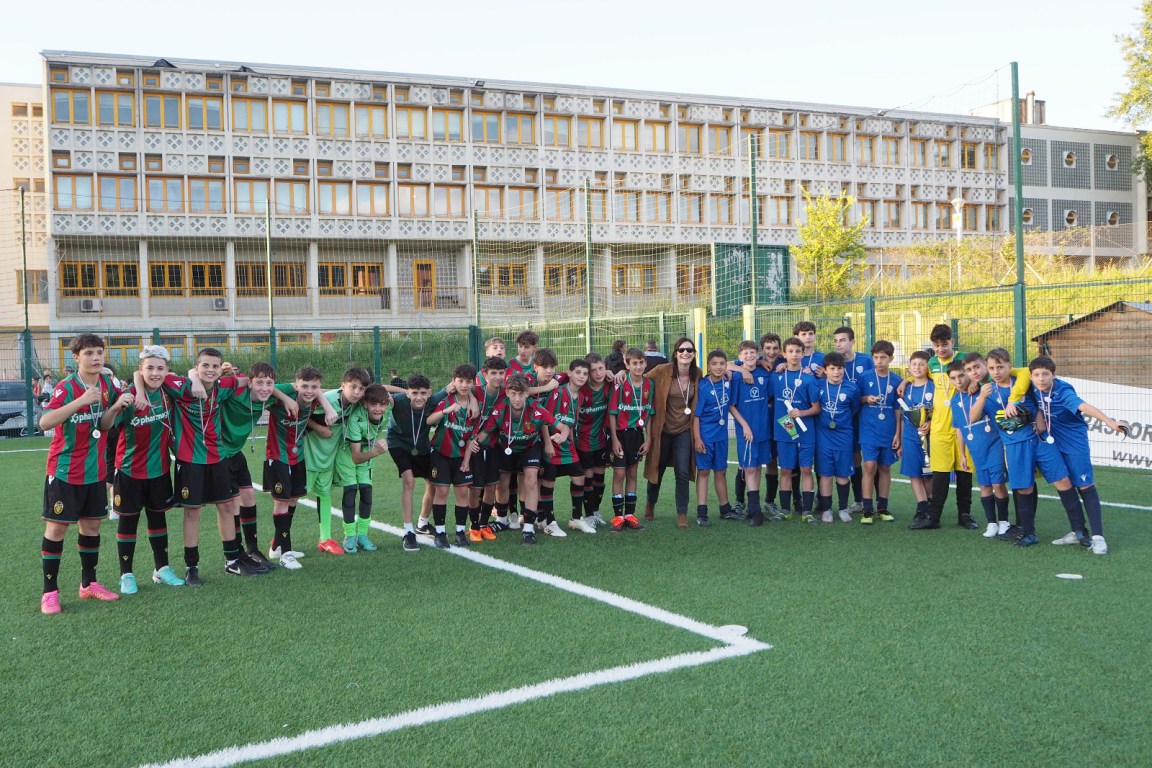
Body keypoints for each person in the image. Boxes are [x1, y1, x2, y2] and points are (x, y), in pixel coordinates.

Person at [38, 333, 135, 614]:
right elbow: (45, 422)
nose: (95, 358)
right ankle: (49, 592)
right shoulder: (66, 387)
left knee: (91, 527)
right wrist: (80, 401)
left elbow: (104, 425)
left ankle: (88, 584)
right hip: (64, 470)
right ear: (76, 357)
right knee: (57, 529)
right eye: (89, 353)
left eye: (99, 352)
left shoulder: (107, 384)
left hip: (95, 471)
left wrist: (116, 406)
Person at [153, 348, 260, 584]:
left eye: (215, 366)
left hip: (218, 457)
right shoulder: (181, 386)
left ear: (220, 369)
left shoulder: (223, 386)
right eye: (205, 366)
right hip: (190, 460)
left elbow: (249, 381)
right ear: (196, 367)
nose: (210, 370)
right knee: (193, 512)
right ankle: (191, 567)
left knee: (227, 506)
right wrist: (192, 378)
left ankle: (232, 561)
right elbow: (145, 374)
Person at [1027, 355, 1128, 554]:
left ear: (1054, 375)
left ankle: (1098, 538)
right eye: (1036, 375)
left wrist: (1109, 422)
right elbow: (1009, 373)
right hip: (1050, 441)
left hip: (1073, 441)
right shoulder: (1030, 386)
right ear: (1030, 376)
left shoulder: (1063, 391)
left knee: (1084, 485)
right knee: (1062, 483)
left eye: (1045, 374)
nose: (1041, 379)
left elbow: (1084, 406)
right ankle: (1077, 531)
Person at [112, 345, 185, 594]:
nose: (155, 373)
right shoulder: (129, 396)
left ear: (167, 370)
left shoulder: (168, 391)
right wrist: (133, 393)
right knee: (128, 522)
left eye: (160, 368)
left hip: (159, 469)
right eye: (149, 368)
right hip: (129, 470)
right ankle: (126, 574)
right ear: (140, 370)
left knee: (158, 519)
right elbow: (110, 426)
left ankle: (161, 569)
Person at [468, 373, 568, 544]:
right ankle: (501, 520)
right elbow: (483, 434)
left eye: (521, 394)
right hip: (506, 447)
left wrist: (562, 435)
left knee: (531, 481)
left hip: (530, 448)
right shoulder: (500, 409)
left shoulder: (536, 409)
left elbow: (563, 427)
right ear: (507, 392)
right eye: (513, 393)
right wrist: (472, 443)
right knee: (502, 483)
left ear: (527, 393)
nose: (517, 398)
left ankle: (528, 527)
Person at [216, 362, 296, 569]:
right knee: (231, 504)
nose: (264, 388)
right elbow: (211, 385)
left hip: (236, 452)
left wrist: (285, 397)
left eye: (269, 383)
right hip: (219, 452)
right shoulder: (234, 392)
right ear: (249, 382)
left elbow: (298, 386)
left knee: (249, 496)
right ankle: (235, 553)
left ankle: (252, 549)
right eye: (259, 382)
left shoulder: (269, 393)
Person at [910, 324, 977, 530]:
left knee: (964, 472)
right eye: (936, 345)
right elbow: (919, 375)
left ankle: (964, 514)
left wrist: (975, 382)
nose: (940, 349)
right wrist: (906, 381)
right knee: (940, 474)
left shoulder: (965, 359)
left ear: (952, 342)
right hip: (939, 427)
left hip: (963, 425)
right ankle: (933, 517)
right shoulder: (931, 362)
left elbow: (981, 373)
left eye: (944, 344)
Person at [264, 365, 331, 568]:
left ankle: (277, 546)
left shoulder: (315, 399)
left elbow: (327, 392)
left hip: (297, 456)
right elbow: (268, 388)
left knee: (293, 499)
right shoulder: (284, 395)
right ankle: (286, 555)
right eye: (304, 386)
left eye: (314, 387)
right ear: (296, 384)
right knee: (282, 502)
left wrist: (327, 406)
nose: (309, 391)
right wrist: (287, 398)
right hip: (278, 457)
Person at [304, 366, 370, 554]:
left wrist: (402, 393)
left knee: (325, 494)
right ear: (343, 385)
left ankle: (325, 538)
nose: (357, 392)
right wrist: (319, 428)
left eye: (361, 389)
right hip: (309, 455)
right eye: (353, 387)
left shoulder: (357, 403)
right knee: (292, 498)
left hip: (328, 458)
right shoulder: (329, 400)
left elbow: (380, 390)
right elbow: (301, 413)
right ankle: (280, 541)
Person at [640, 336, 700, 527]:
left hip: (684, 430)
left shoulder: (697, 374)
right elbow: (640, 379)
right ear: (675, 353)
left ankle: (682, 513)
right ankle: (650, 503)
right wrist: (620, 374)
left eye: (689, 350)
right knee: (657, 469)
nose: (685, 353)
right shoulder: (662, 370)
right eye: (682, 350)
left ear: (694, 354)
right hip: (662, 429)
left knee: (682, 471)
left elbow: (721, 369)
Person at [949, 359, 1010, 538]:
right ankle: (991, 523)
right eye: (953, 378)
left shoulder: (984, 390)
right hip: (976, 448)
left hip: (994, 443)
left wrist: (977, 384)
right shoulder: (955, 400)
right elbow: (959, 428)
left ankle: (1004, 521)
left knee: (998, 483)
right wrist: (962, 454)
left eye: (962, 376)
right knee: (984, 484)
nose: (959, 381)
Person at [385, 374, 446, 550]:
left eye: (423, 393)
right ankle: (408, 532)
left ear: (429, 393)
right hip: (398, 444)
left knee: (433, 483)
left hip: (422, 446)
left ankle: (423, 524)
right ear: (408, 393)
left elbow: (454, 386)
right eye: (414, 393)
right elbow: (380, 388)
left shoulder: (433, 400)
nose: (419, 397)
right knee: (409, 481)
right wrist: (404, 391)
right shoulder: (398, 400)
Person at [426, 364, 481, 548]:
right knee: (441, 491)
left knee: (462, 492)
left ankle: (459, 532)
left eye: (468, 382)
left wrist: (466, 461)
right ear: (453, 381)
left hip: (461, 457)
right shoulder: (447, 401)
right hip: (440, 454)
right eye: (460, 381)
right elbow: (429, 420)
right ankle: (440, 533)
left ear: (473, 383)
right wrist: (445, 411)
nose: (464, 385)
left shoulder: (476, 408)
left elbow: (472, 437)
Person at [770, 337, 821, 523]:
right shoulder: (775, 377)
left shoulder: (809, 378)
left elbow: (817, 408)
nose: (794, 355)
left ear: (803, 353)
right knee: (785, 470)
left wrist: (802, 412)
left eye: (797, 351)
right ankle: (785, 510)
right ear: (784, 354)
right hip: (784, 430)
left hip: (806, 432)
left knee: (806, 469)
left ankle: (807, 511)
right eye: (790, 351)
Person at [541, 359, 589, 536]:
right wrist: (547, 443)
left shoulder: (581, 396)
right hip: (550, 445)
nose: (581, 376)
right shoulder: (558, 392)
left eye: (585, 374)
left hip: (567, 446)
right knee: (548, 482)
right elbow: (543, 418)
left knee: (579, 477)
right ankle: (549, 522)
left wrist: (569, 436)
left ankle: (576, 518)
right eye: (578, 372)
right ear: (569, 373)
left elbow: (571, 422)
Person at [693, 350, 740, 526]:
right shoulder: (703, 386)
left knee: (721, 471)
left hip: (721, 437)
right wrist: (697, 439)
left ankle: (725, 509)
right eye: (714, 364)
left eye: (722, 364)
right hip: (705, 437)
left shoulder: (728, 382)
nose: (718, 367)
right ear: (708, 366)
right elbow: (696, 416)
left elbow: (742, 364)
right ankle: (702, 512)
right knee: (704, 472)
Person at [608, 348, 652, 531]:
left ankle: (630, 515)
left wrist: (648, 439)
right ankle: (618, 517)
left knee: (632, 474)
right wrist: (614, 440)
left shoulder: (649, 384)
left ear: (646, 363)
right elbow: (612, 413)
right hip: (620, 435)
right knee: (619, 474)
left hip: (637, 435)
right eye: (634, 363)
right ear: (627, 365)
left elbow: (649, 414)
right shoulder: (620, 383)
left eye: (641, 362)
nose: (638, 366)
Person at [731, 340, 773, 526]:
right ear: (740, 357)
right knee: (748, 468)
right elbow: (731, 406)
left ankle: (752, 508)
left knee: (757, 467)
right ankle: (755, 511)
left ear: (758, 354)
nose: (749, 356)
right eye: (745, 353)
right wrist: (745, 426)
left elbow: (770, 398)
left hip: (763, 430)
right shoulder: (736, 377)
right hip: (746, 431)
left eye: (752, 352)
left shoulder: (765, 374)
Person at [814, 352, 860, 523]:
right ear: (825, 370)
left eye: (840, 368)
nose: (836, 372)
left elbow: (854, 409)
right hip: (823, 436)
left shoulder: (852, 388)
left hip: (844, 436)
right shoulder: (818, 386)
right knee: (825, 474)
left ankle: (843, 508)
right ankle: (826, 509)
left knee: (842, 474)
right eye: (832, 368)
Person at [345, 383, 392, 551]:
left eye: (382, 404)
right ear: (365, 404)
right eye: (373, 404)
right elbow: (356, 457)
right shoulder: (356, 420)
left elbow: (388, 392)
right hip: (349, 454)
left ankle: (363, 536)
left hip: (368, 451)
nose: (378, 409)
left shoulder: (388, 407)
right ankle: (350, 536)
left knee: (366, 490)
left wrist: (404, 391)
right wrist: (376, 451)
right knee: (350, 490)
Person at [832, 326, 873, 513]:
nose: (838, 344)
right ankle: (854, 500)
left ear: (852, 342)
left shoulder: (866, 360)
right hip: (844, 419)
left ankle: (870, 502)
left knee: (867, 459)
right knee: (849, 457)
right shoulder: (834, 363)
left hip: (866, 417)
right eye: (836, 341)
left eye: (842, 340)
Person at [858, 341, 899, 524]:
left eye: (883, 357)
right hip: (869, 430)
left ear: (891, 358)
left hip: (888, 430)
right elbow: (856, 399)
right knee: (869, 466)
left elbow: (898, 409)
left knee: (885, 467)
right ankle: (867, 509)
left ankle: (882, 507)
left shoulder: (896, 380)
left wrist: (898, 433)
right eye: (876, 357)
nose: (879, 361)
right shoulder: (865, 377)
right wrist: (867, 398)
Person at [896, 351, 935, 523]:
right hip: (910, 436)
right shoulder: (905, 389)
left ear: (928, 367)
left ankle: (929, 502)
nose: (917, 367)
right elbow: (903, 417)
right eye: (914, 364)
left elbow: (941, 411)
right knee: (914, 472)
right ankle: (922, 507)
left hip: (930, 437)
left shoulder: (934, 387)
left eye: (922, 364)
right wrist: (901, 441)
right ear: (909, 367)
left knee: (928, 473)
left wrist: (930, 423)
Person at [577, 352, 613, 528]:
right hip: (583, 440)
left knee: (600, 476)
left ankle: (596, 511)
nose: (598, 373)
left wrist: (620, 372)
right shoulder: (581, 388)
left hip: (602, 439)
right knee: (588, 477)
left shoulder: (610, 384)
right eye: (593, 370)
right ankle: (589, 514)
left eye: (601, 368)